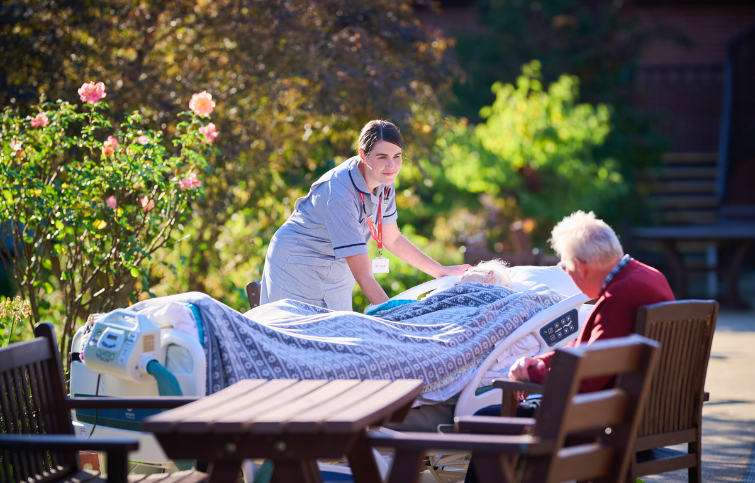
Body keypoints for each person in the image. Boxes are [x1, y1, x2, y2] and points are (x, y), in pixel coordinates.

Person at [463, 210, 675, 483]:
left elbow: (588, 379)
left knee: (487, 420)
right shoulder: (647, 276)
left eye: (566, 267)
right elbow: (591, 347)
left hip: (607, 420)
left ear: (581, 266)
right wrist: (543, 361)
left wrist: (533, 375)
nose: (568, 274)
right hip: (640, 412)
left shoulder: (621, 295)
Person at [260, 120, 470, 311]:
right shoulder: (339, 193)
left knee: (339, 341)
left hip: (335, 268)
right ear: (363, 155)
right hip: (297, 262)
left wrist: (441, 271)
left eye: (397, 157)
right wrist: (393, 316)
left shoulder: (384, 179)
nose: (391, 165)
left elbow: (392, 239)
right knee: (302, 342)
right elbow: (364, 275)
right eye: (382, 157)